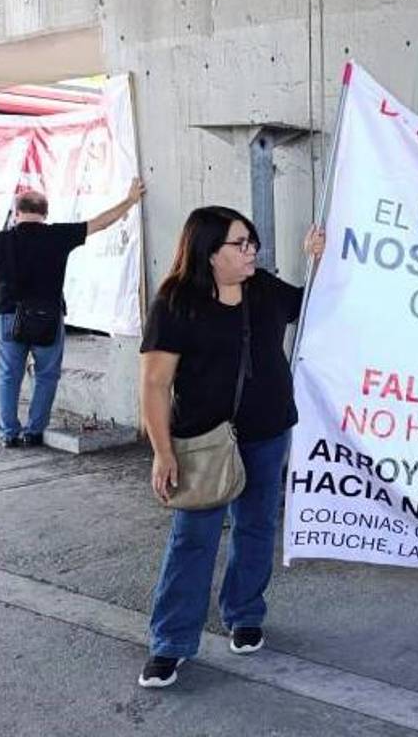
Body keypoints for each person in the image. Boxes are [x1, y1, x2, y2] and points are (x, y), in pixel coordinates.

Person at [137, 207, 324, 689]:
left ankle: (244, 614)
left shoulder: (264, 290)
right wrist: (163, 451)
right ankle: (170, 643)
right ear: (209, 252)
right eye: (240, 244)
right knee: (192, 539)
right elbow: (156, 384)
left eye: (252, 242)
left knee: (256, 526)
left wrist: (315, 260)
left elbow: (312, 302)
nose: (251, 251)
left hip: (267, 431)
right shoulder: (176, 302)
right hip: (201, 441)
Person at [0, 178, 145, 447]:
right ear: (45, 213)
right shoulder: (58, 235)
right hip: (47, 317)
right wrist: (131, 200)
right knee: (47, 375)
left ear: (16, 213)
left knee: (7, 376)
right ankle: (34, 431)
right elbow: (100, 222)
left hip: (7, 315)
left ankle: (8, 434)